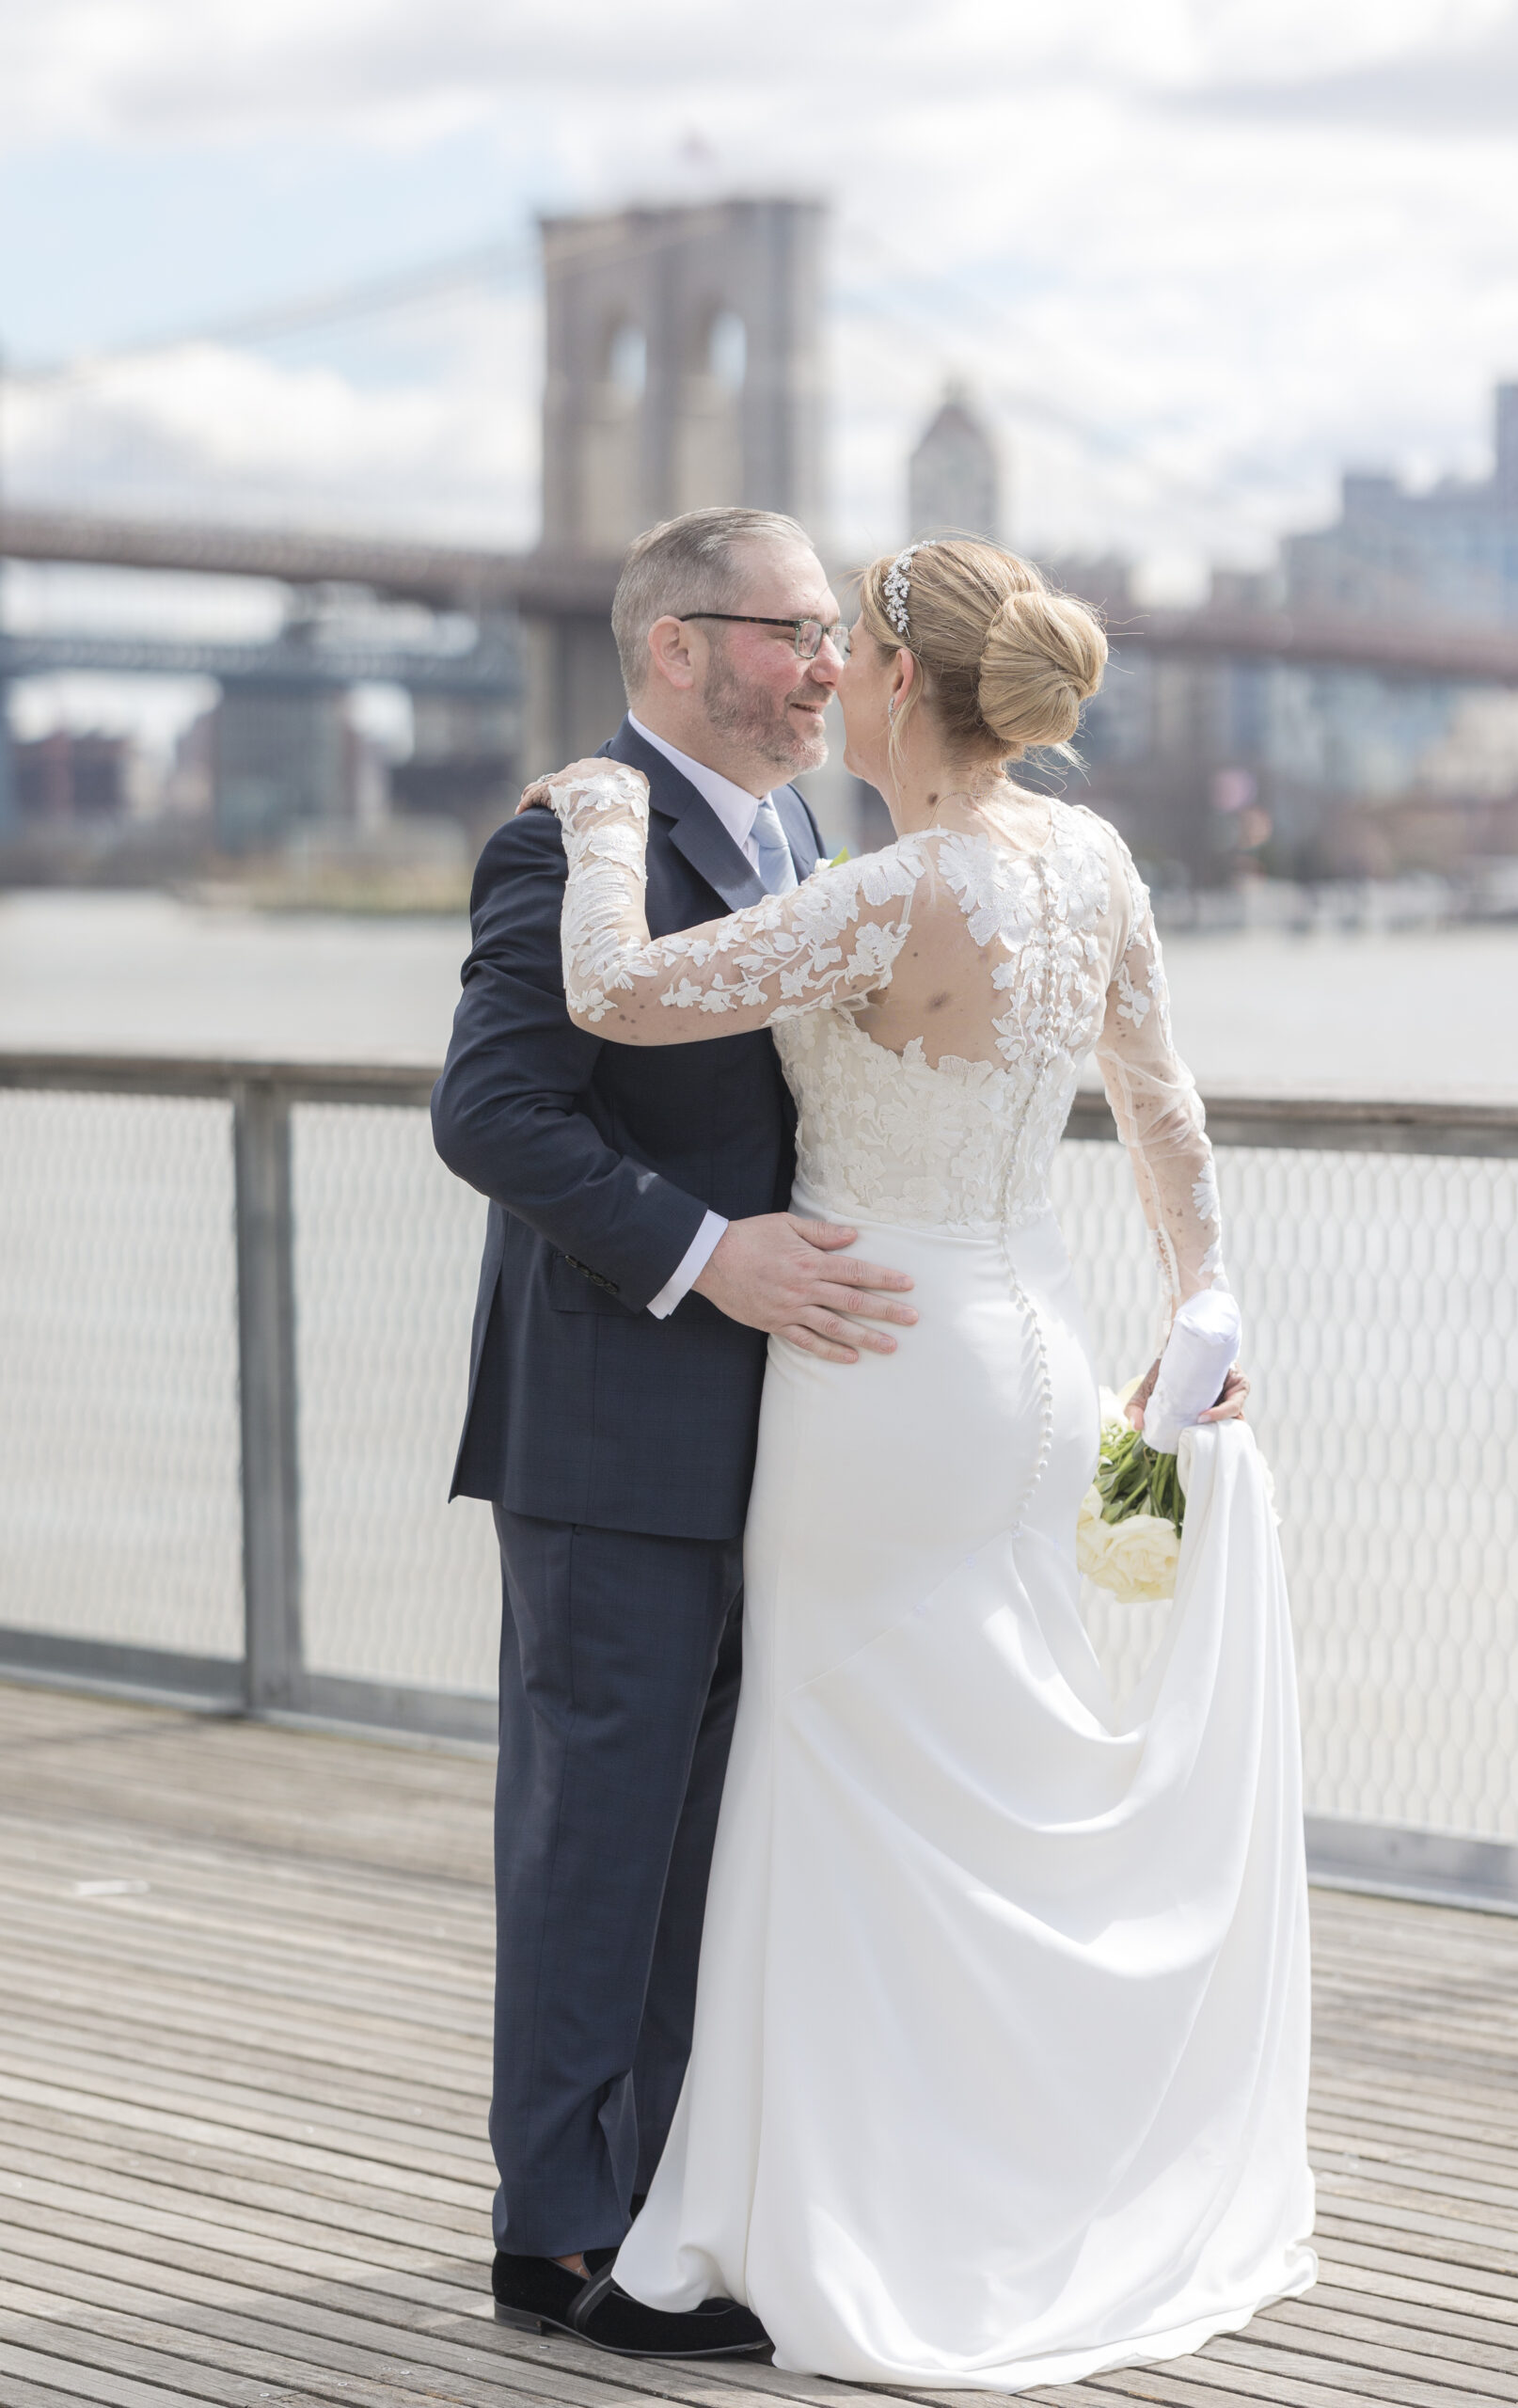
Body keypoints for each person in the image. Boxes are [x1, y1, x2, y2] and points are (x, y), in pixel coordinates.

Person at [518, 533, 1316, 2388]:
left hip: (874, 1369)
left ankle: (798, 2214)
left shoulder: (893, 891)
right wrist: (1202, 1308)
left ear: (894, 677)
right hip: (1037, 1360)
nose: (821, 676)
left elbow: (614, 994)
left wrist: (600, 820)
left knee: (837, 1783)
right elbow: (1164, 1108)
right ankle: (1011, 2164)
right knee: (987, 1763)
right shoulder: (1090, 858)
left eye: (839, 646)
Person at [432, 507, 923, 2358]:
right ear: (671, 650)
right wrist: (709, 1256)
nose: (825, 666)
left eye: (831, 633)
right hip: (614, 1422)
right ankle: (550, 2234)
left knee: (706, 1842)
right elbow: (491, 1114)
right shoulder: (568, 836)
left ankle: (654, 2207)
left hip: (781, 1430)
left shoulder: (802, 834)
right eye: (789, 631)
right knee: (596, 1838)